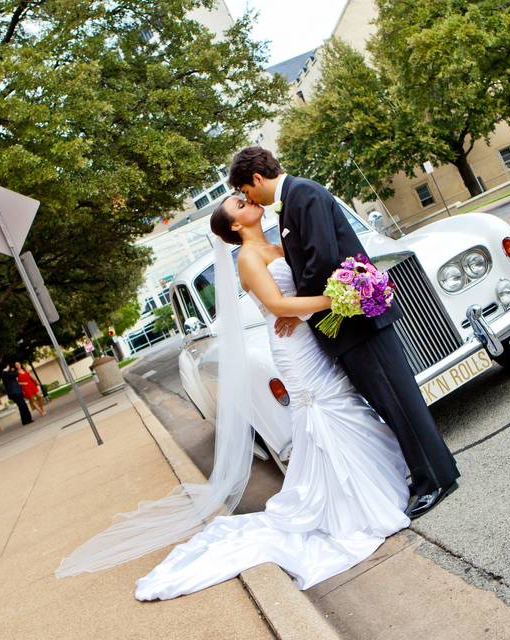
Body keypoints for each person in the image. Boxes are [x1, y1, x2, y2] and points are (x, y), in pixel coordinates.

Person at [56, 194, 411, 601]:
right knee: (321, 411)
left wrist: (337, 292)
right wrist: (339, 300)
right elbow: (277, 304)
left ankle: (372, 481)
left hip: (312, 339)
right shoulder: (246, 258)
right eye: (239, 204)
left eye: (243, 198)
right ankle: (350, 504)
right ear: (236, 225)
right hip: (293, 349)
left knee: (341, 403)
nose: (247, 202)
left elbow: (301, 288)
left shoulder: (278, 245)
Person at [229, 147, 459, 517]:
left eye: (246, 191)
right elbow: (315, 263)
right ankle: (426, 471)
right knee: (389, 403)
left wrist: (298, 311)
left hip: (359, 323)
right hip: (345, 325)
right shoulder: (290, 205)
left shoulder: (303, 195)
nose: (248, 198)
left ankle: (436, 478)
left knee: (399, 400)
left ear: (256, 179)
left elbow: (322, 259)